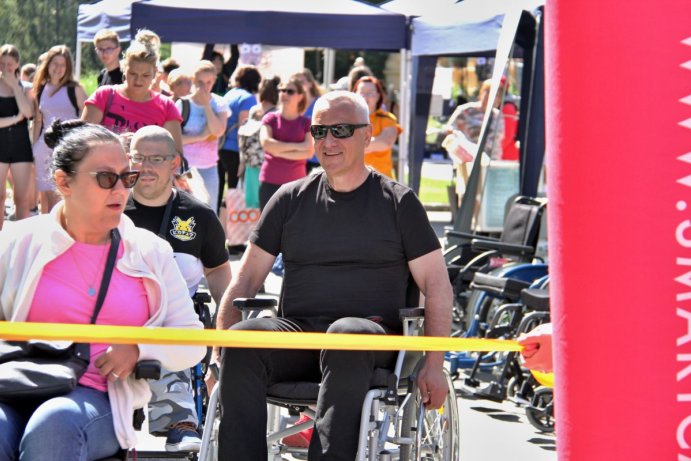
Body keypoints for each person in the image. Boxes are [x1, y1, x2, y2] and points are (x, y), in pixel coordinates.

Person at [213, 91, 453, 460]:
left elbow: (437, 288)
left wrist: (434, 365)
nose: (328, 141)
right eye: (319, 130)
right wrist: (219, 355)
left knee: (346, 334)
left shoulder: (398, 204)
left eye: (340, 130)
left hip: (369, 342)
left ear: (367, 135)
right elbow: (243, 282)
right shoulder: (289, 199)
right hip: (300, 336)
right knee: (243, 338)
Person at [0, 119, 205, 459]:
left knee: (54, 426)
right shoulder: (17, 242)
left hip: (101, 394)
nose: (121, 190)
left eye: (128, 178)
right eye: (107, 178)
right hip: (15, 383)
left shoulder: (149, 250)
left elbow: (190, 340)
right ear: (63, 182)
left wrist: (138, 349)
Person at [125, 125, 231, 453]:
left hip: (173, 316)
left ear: (175, 163)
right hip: (117, 313)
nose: (145, 166)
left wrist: (223, 343)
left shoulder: (198, 216)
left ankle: (179, 417)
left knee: (176, 326)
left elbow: (218, 275)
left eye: (155, 158)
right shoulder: (110, 208)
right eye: (138, 157)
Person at [83, 29, 183, 155]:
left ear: (155, 73)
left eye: (145, 75)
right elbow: (81, 142)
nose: (138, 80)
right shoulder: (103, 96)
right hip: (107, 172)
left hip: (147, 173)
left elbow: (176, 156)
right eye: (133, 74)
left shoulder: (167, 106)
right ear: (124, 69)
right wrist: (117, 142)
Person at [32, 45, 87, 214]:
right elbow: (38, 120)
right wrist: (33, 148)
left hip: (68, 148)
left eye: (63, 64)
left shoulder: (74, 89)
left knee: (62, 195)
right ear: (48, 64)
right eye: (55, 63)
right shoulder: (41, 88)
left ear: (68, 67)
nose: (58, 68)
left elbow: (87, 117)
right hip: (43, 149)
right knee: (46, 197)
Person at [177, 60, 229, 209]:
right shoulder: (183, 104)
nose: (204, 87)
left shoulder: (219, 103)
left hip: (209, 167)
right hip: (185, 168)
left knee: (209, 211)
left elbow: (218, 131)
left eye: (209, 82)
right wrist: (200, 136)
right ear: (193, 80)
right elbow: (175, 139)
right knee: (184, 211)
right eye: (200, 82)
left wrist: (206, 104)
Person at [257, 76, 313, 210]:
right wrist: (298, 147)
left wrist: (277, 150)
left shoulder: (306, 122)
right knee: (269, 228)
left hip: (297, 184)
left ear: (300, 96)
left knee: (294, 228)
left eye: (290, 91)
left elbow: (309, 152)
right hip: (269, 181)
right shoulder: (270, 118)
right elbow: (266, 144)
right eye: (282, 90)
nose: (284, 94)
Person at [218, 65, 261, 211]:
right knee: (233, 191)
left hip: (220, 147)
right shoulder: (248, 98)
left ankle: (218, 221)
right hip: (235, 150)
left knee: (220, 189)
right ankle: (230, 226)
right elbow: (244, 129)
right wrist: (244, 158)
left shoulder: (229, 94)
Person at [0, 44, 33, 230]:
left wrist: (14, 86)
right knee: (0, 197)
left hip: (21, 146)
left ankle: (22, 239)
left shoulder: (26, 87)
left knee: (22, 197)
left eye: (9, 64)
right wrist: (14, 119)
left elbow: (28, 113)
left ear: (17, 64)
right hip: (1, 145)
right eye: (2, 64)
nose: (5, 68)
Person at [238, 76, 279, 209]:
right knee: (269, 202)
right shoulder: (276, 114)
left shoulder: (254, 110)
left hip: (251, 162)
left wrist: (242, 163)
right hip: (268, 162)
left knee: (253, 203)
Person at [353, 76, 402, 179]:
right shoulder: (346, 119)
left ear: (378, 96)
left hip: (381, 181)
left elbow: (384, 143)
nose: (365, 97)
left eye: (370, 93)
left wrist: (353, 145)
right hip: (352, 180)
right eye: (362, 92)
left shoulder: (387, 118)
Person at [292, 68, 322, 174]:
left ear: (310, 84)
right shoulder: (293, 105)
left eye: (301, 82)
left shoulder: (320, 104)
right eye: (296, 83)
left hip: (317, 160)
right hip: (297, 160)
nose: (298, 85)